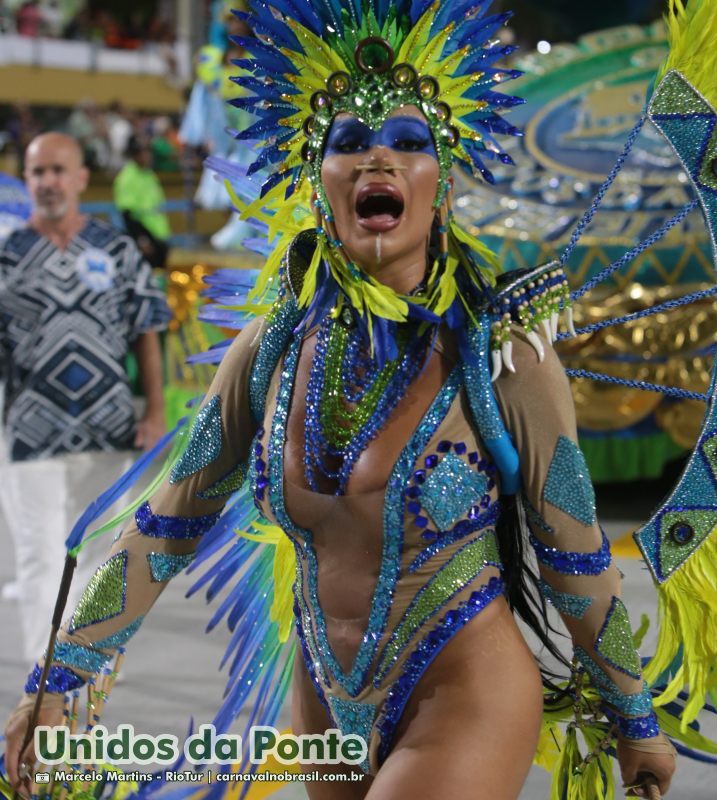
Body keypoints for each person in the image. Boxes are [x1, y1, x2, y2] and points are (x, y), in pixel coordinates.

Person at [3, 5, 681, 799]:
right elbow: (167, 522)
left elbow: (576, 555)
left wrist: (636, 720)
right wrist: (60, 678)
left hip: (464, 688)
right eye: (350, 142)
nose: (377, 159)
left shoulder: (503, 354)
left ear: (443, 178)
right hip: (324, 701)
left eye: (408, 141)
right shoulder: (273, 351)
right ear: (317, 178)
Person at [0, 132, 170, 669]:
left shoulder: (115, 250)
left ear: (79, 178)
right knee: (38, 554)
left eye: (57, 170)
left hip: (109, 429)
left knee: (100, 558)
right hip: (31, 433)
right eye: (37, 172)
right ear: (27, 181)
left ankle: (77, 672)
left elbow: (147, 328)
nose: (47, 182)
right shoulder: (7, 256)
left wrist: (156, 409)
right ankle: (41, 680)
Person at [113, 136, 171, 268]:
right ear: (135, 155)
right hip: (145, 235)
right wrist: (141, 239)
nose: (147, 156)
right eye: (143, 152)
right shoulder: (127, 177)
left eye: (148, 152)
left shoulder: (149, 174)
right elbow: (127, 213)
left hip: (159, 233)